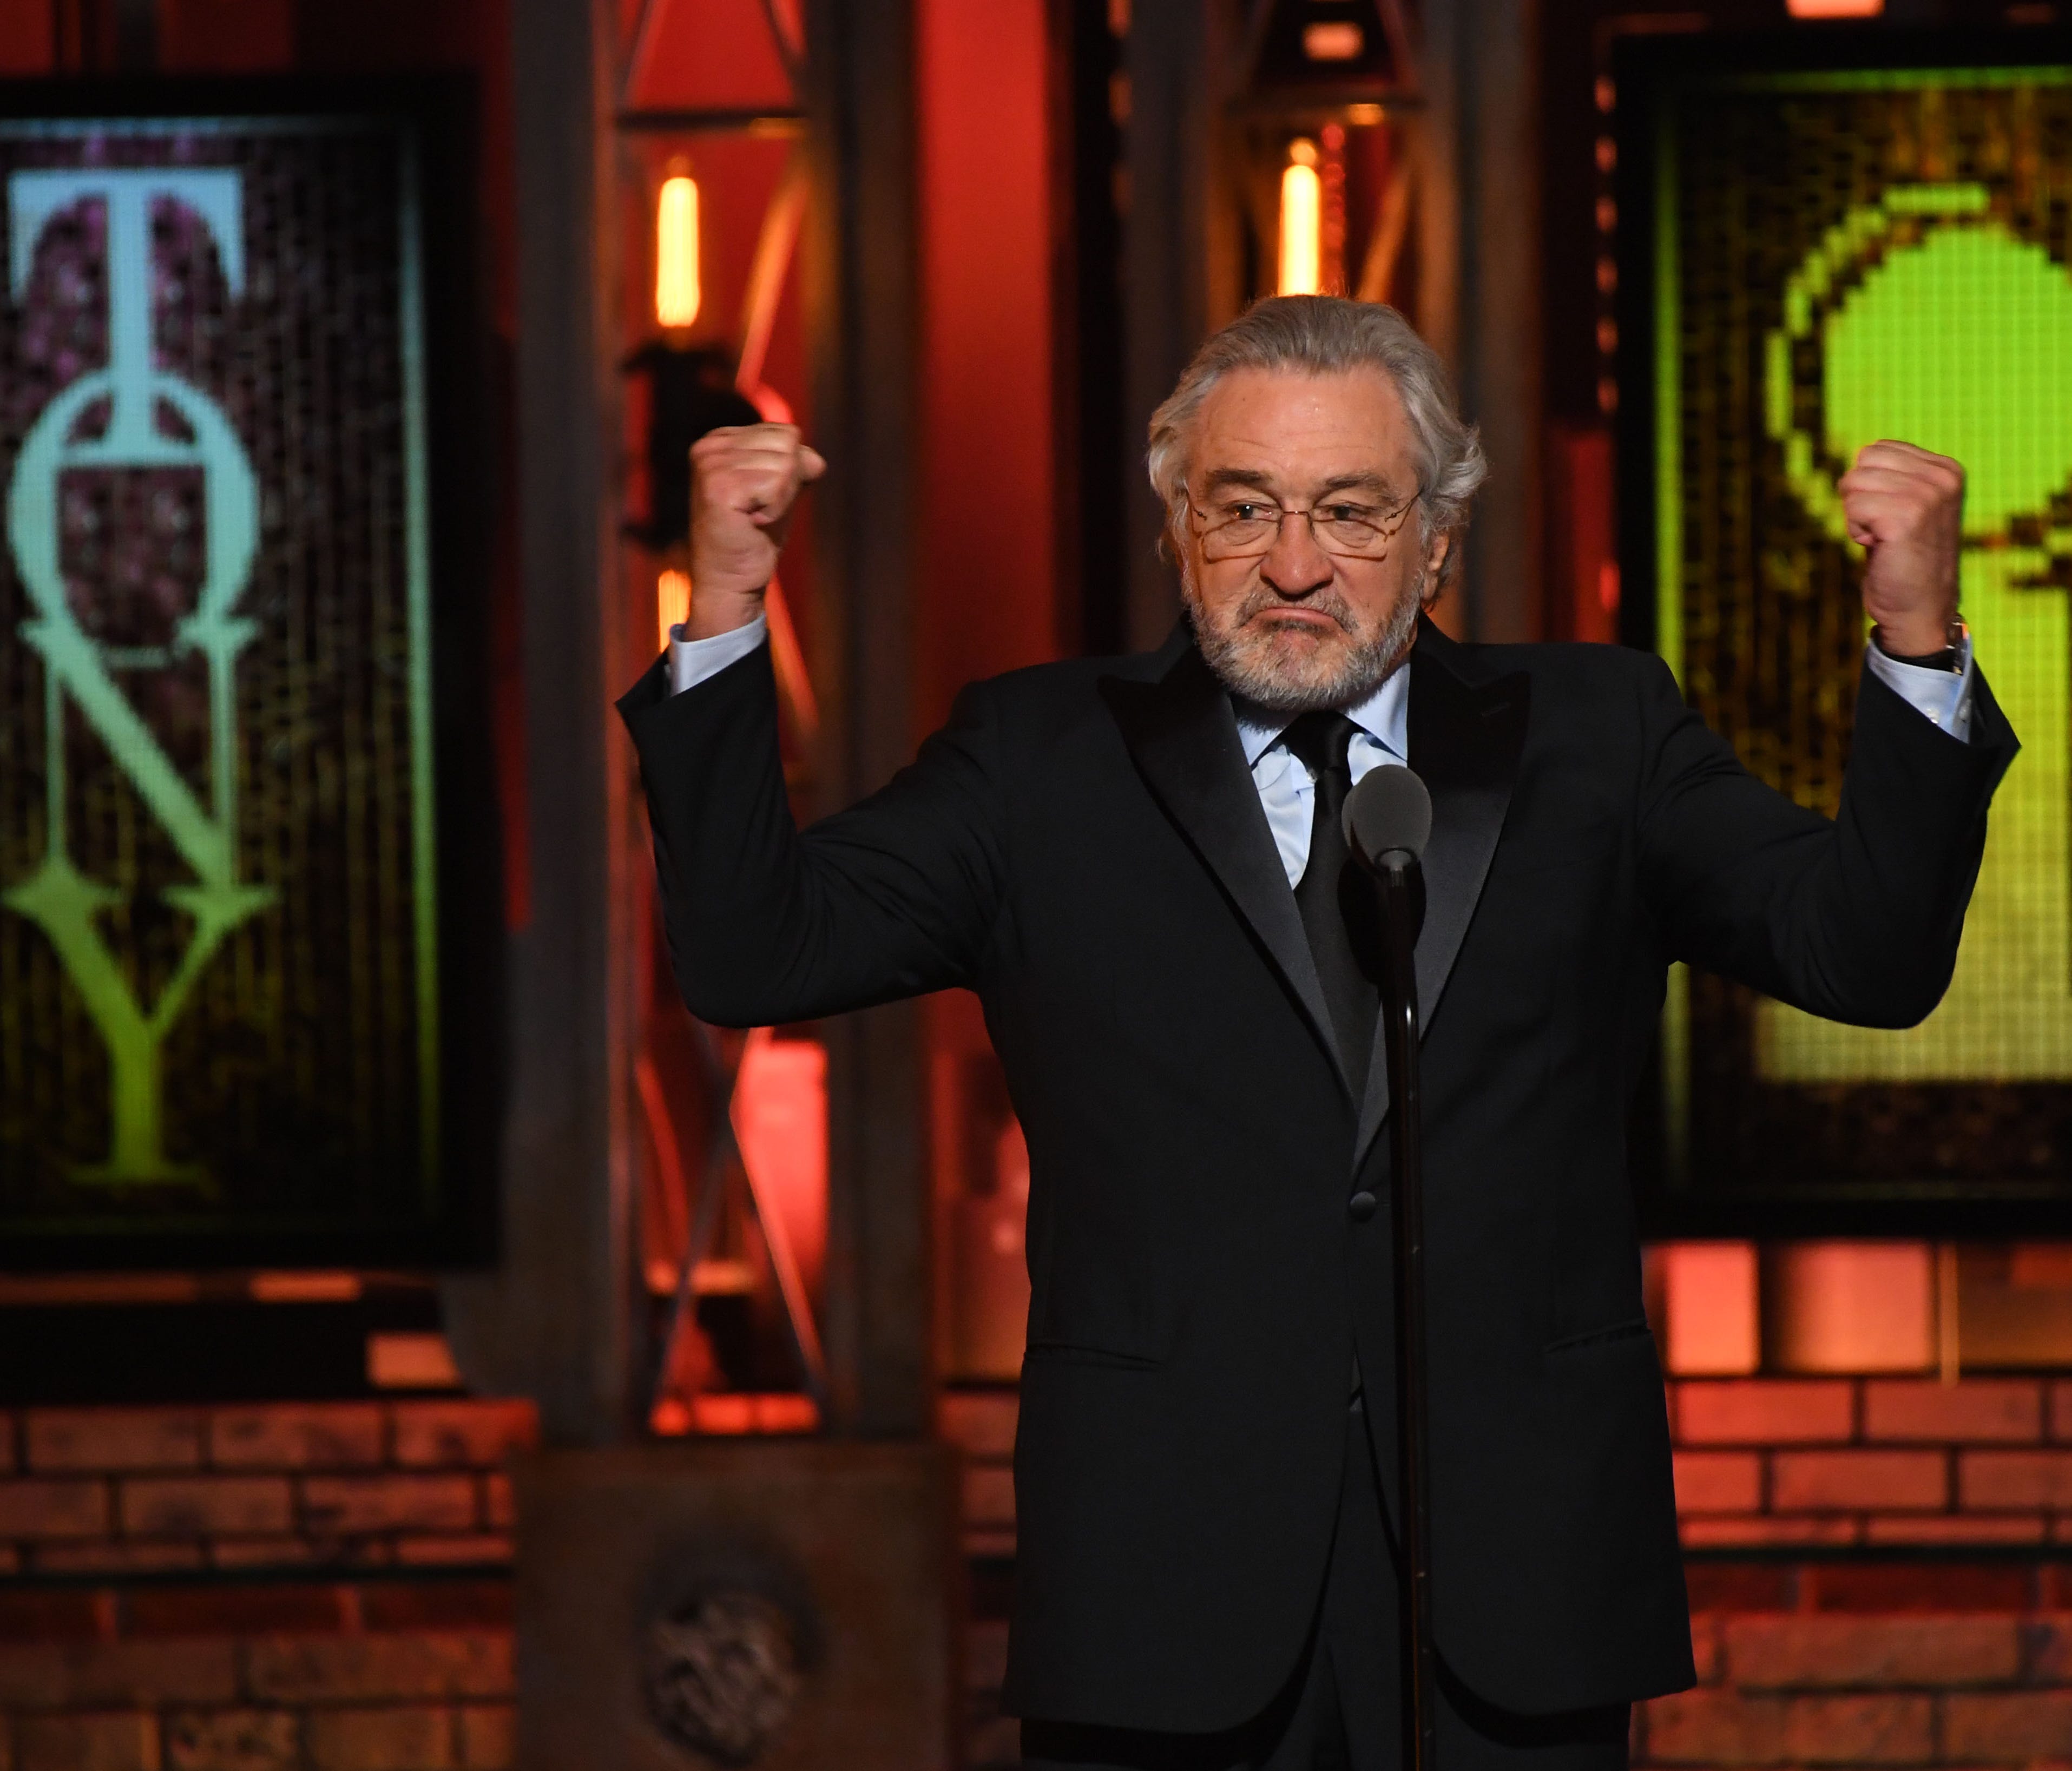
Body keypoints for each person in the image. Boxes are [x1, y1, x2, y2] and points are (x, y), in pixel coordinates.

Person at [618, 297, 2015, 1771]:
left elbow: (1864, 956)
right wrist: (719, 613)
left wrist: (1916, 635)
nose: (1294, 565)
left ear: (1436, 538)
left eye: (1350, 512)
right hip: (1165, 1593)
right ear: (1174, 528)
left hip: (1515, 1591)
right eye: (1243, 510)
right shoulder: (1037, 762)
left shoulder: (1602, 735)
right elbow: (755, 949)